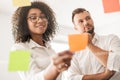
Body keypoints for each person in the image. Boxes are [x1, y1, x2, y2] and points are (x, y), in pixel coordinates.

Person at [11, 1, 73, 80]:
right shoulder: (16, 50)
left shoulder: (50, 48)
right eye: (33, 18)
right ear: (24, 23)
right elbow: (30, 78)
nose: (40, 20)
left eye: (43, 17)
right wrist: (55, 68)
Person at [66, 8, 120, 80]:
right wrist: (104, 76)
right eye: (81, 21)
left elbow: (117, 63)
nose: (86, 23)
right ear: (76, 27)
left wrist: (90, 45)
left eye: (88, 18)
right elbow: (72, 78)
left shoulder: (111, 39)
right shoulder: (73, 53)